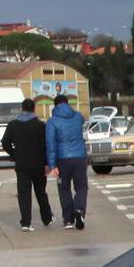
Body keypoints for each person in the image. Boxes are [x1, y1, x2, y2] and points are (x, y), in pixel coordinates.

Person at [2, 96, 53, 231]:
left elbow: (5, 143)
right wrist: (47, 163)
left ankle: (26, 222)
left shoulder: (13, 125)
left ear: (22, 109)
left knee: (24, 194)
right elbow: (47, 145)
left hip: (22, 165)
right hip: (38, 164)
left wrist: (14, 154)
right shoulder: (41, 125)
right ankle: (47, 218)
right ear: (34, 109)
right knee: (40, 192)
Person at [44, 94, 89, 231]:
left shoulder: (52, 121)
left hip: (62, 159)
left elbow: (50, 144)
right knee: (81, 187)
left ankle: (68, 219)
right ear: (68, 103)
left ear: (55, 105)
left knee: (64, 189)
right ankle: (79, 210)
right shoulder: (78, 116)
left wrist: (52, 165)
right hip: (80, 157)